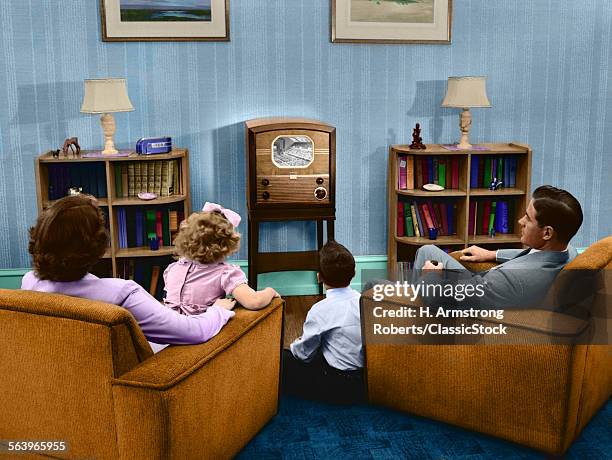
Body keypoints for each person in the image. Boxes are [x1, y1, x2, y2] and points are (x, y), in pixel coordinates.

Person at [21, 194, 236, 349]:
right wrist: (218, 310)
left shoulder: (29, 283)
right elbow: (193, 332)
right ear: (97, 246)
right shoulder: (122, 294)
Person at [410, 185, 583, 308]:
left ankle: (412, 315)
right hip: (487, 284)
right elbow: (534, 255)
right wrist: (493, 254)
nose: (520, 221)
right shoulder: (568, 252)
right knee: (428, 251)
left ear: (547, 233)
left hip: (473, 301)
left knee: (421, 284)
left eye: (528, 219)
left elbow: (438, 298)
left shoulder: (515, 279)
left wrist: (431, 276)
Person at [283, 240, 365, 404]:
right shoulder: (364, 301)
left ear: (319, 277)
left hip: (338, 385)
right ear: (354, 272)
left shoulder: (320, 310)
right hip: (365, 381)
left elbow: (303, 354)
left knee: (283, 359)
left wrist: (294, 345)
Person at [163, 202, 279, 314]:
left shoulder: (173, 268)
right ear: (228, 244)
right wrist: (270, 291)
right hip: (197, 329)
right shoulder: (226, 273)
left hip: (167, 326)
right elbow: (254, 302)